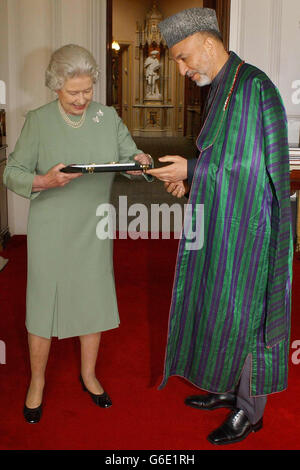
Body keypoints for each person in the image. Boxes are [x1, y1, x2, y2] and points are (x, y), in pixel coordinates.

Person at [146, 8, 293, 445]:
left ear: (208, 43)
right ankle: (231, 390)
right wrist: (191, 183)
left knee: (249, 315)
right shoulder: (224, 86)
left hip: (253, 231)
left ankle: (251, 411)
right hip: (226, 224)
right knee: (222, 306)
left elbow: (250, 169)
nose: (180, 68)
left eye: (183, 57)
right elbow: (222, 161)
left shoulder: (253, 87)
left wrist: (191, 169)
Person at [3, 44, 152, 424]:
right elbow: (11, 171)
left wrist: (139, 163)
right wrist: (44, 180)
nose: (82, 99)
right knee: (42, 305)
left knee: (92, 300)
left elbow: (128, 155)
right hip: (51, 226)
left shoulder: (107, 116)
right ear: (56, 86)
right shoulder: (38, 120)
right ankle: (36, 382)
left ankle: (89, 375)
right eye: (74, 92)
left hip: (94, 225)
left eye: (88, 90)